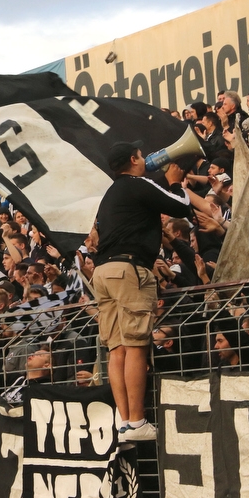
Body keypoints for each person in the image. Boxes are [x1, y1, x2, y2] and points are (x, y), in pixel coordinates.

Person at [90, 140, 191, 443]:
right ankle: (136, 420)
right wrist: (174, 183)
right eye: (140, 155)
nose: (145, 158)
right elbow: (181, 206)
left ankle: (125, 422)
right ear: (134, 160)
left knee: (116, 348)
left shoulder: (110, 193)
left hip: (104, 272)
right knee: (135, 345)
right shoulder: (136, 183)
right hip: (128, 270)